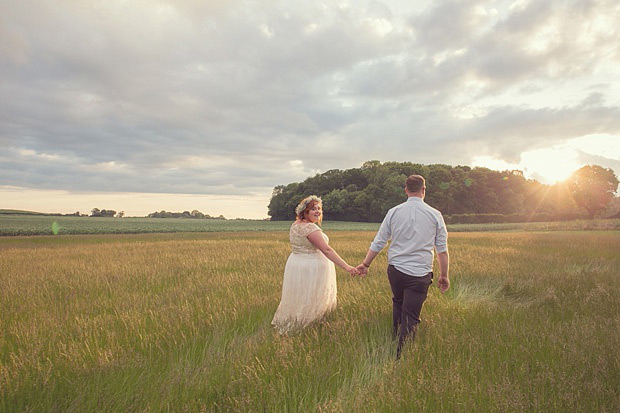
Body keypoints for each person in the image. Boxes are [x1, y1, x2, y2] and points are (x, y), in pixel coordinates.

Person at [356, 175, 450, 359]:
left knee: (398, 303)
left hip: (396, 270)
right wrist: (444, 275)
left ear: (406, 190)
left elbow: (379, 241)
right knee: (411, 315)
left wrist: (366, 264)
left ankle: (394, 342)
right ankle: (401, 355)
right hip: (420, 273)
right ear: (424, 190)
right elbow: (442, 250)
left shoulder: (394, 212)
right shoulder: (435, 215)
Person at [272, 195, 359, 334]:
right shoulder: (310, 228)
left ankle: (294, 320)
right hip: (311, 266)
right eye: (313, 209)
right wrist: (347, 267)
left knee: (301, 294)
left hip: (296, 263)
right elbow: (327, 249)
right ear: (304, 212)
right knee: (311, 295)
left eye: (319, 208)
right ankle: (310, 325)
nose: (317, 211)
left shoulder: (296, 225)